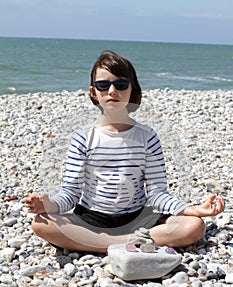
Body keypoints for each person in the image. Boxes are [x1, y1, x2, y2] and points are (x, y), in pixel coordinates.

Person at [23, 50, 225, 254]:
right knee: (41, 223)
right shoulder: (84, 137)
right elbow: (71, 193)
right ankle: (127, 244)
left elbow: (157, 193)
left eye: (121, 84)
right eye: (104, 85)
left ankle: (101, 244)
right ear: (93, 92)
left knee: (194, 226)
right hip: (91, 218)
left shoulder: (147, 137)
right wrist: (49, 206)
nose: (112, 91)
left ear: (132, 90)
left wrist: (191, 209)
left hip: (137, 218)